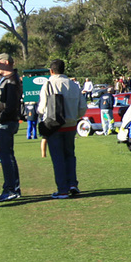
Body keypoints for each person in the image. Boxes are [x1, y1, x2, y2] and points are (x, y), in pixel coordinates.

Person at [37, 58, 87, 198]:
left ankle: (62, 189)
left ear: (51, 71)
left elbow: (42, 108)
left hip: (54, 125)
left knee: (58, 158)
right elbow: (82, 107)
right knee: (70, 155)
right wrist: (73, 116)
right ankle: (72, 183)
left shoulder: (48, 84)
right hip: (71, 125)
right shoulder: (73, 85)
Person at [0, 54, 23, 201]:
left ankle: (10, 189)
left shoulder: (12, 81)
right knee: (7, 156)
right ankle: (13, 188)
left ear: (7, 63)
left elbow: (10, 106)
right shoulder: (2, 78)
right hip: (4, 121)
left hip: (5, 122)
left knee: (5, 156)